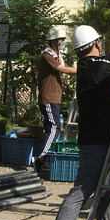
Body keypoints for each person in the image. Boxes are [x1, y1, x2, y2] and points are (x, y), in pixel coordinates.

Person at [54, 26, 110, 220]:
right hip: (103, 138)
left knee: (107, 188)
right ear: (96, 43)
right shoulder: (100, 67)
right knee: (84, 189)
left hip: (93, 137)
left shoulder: (87, 65)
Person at [36, 26, 77, 175]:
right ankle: (41, 158)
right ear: (54, 41)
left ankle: (46, 161)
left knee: (52, 128)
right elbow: (64, 70)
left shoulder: (57, 55)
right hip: (48, 98)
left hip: (55, 98)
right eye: (61, 39)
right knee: (54, 128)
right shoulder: (48, 55)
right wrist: (85, 69)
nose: (63, 42)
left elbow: (67, 68)